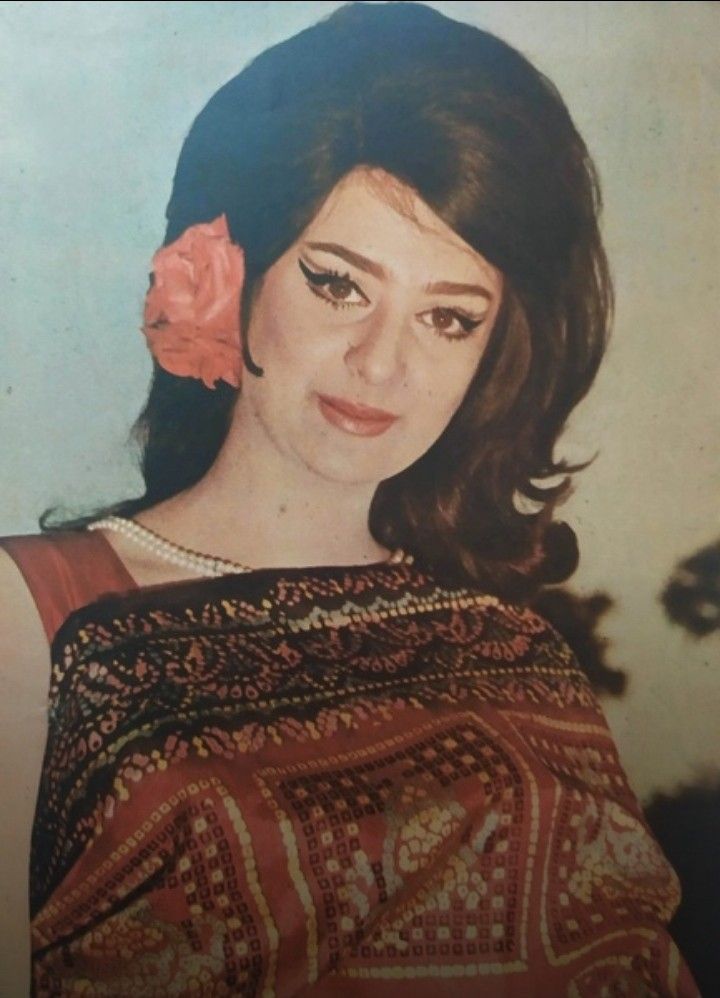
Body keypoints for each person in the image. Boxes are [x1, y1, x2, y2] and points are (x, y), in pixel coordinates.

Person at [0, 2, 700, 995]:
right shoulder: (32, 614)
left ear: (493, 356)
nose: (383, 361)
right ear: (222, 274)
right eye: (337, 285)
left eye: (450, 318)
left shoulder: (515, 647)